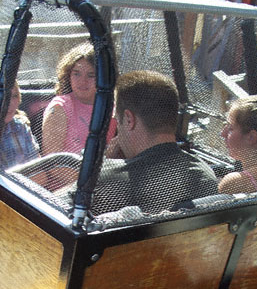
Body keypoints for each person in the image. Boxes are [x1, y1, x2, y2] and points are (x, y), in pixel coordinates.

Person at [59, 70, 218, 216]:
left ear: (129, 120)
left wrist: (104, 164)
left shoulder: (102, 182)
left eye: (117, 120)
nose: (117, 129)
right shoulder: (206, 176)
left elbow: (51, 211)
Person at [42, 42, 116, 156]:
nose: (83, 82)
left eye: (91, 75)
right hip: (70, 173)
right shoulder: (59, 108)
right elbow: (52, 162)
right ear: (68, 75)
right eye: (77, 74)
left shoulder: (113, 108)